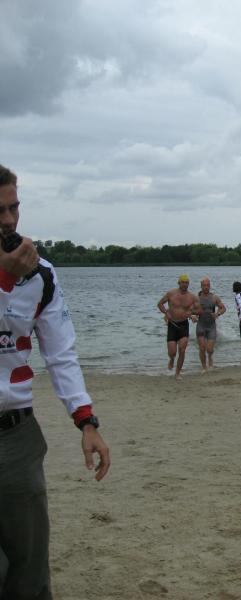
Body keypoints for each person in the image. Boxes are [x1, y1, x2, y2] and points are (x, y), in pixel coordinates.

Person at [0, 163, 110, 599]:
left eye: (14, 208)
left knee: (28, 568)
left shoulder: (41, 274)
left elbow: (60, 353)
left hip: (16, 435)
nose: (9, 220)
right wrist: (4, 278)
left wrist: (86, 420)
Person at [157, 274, 200, 381]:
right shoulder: (171, 293)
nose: (185, 284)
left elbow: (199, 310)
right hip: (172, 325)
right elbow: (160, 304)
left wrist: (192, 314)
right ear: (179, 283)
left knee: (182, 349)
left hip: (183, 325)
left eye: (186, 283)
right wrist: (166, 312)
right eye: (183, 282)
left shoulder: (192, 297)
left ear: (188, 284)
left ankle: (177, 373)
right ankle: (172, 359)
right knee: (172, 352)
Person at [196, 277, 226, 373]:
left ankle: (210, 358)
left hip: (211, 326)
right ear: (201, 286)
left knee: (209, 349)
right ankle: (204, 367)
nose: (206, 287)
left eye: (207, 285)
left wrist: (217, 313)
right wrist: (192, 316)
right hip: (200, 325)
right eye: (204, 285)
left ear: (209, 286)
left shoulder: (214, 298)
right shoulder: (197, 298)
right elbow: (189, 309)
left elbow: (223, 308)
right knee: (202, 348)